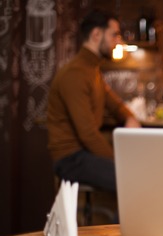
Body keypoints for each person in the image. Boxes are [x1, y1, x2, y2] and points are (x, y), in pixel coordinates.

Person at [47, 9, 141, 192]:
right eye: (114, 35)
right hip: (70, 159)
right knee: (132, 181)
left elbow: (116, 106)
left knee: (136, 176)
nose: (118, 42)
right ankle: (125, 222)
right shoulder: (75, 74)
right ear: (96, 34)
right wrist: (120, 162)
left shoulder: (92, 71)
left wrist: (130, 118)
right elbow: (87, 134)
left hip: (83, 154)